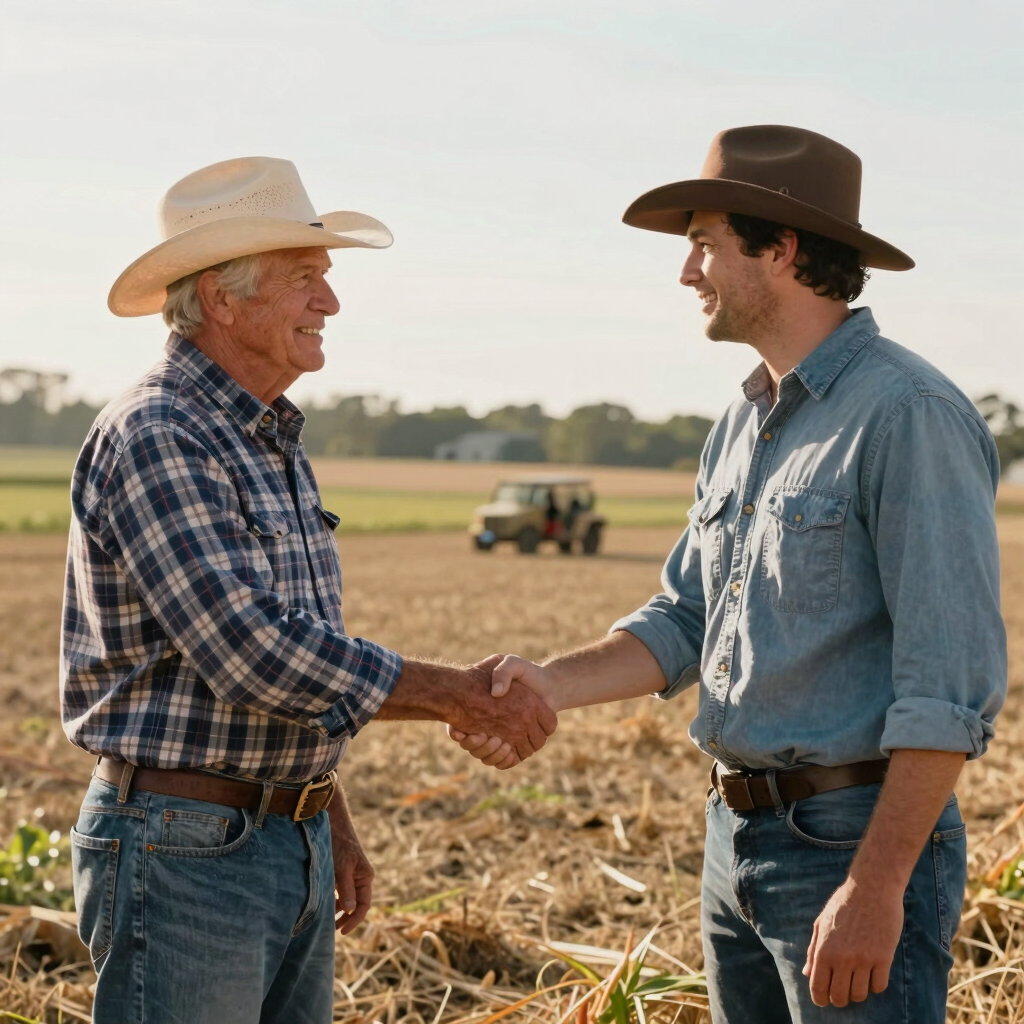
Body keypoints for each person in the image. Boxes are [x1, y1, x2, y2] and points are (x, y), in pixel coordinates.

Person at [451, 125, 1006, 1022]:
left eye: (703, 245)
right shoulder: (742, 424)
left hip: (848, 850)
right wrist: (544, 683)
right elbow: (684, 618)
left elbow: (951, 687)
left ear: (779, 250)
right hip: (733, 842)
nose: (686, 273)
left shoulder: (909, 416)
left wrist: (875, 887)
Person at [61, 156, 556, 1024]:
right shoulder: (161, 432)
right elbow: (253, 652)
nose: (330, 304)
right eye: (307, 280)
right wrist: (455, 695)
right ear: (221, 296)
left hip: (271, 839)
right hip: (186, 852)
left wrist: (323, 809)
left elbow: (294, 656)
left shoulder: (268, 435)